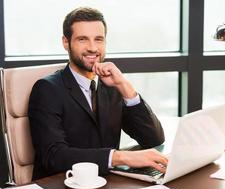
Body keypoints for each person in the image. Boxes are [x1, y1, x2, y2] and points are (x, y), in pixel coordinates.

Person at [28, 7, 168, 180]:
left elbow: (153, 138)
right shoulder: (47, 90)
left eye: (99, 39)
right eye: (82, 39)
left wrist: (125, 87)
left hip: (107, 184)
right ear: (66, 42)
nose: (93, 48)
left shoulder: (111, 85)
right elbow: (54, 156)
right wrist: (120, 157)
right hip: (63, 186)